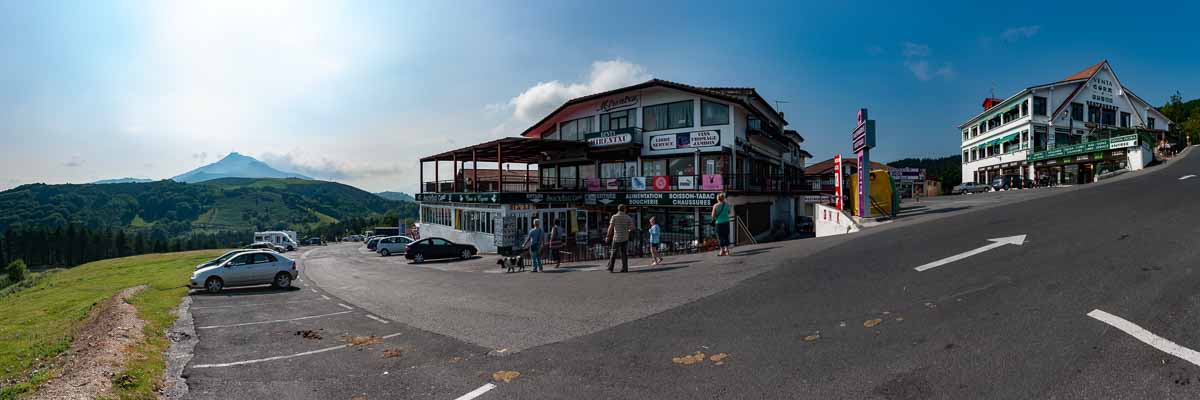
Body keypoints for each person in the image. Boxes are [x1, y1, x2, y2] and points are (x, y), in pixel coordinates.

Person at [606, 204, 634, 273]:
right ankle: (625, 268)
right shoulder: (628, 217)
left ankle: (611, 268)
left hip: (616, 238)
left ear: (618, 209)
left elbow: (610, 228)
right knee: (624, 254)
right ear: (624, 209)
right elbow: (632, 228)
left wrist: (608, 236)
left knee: (613, 253)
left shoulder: (614, 217)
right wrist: (628, 230)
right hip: (625, 238)